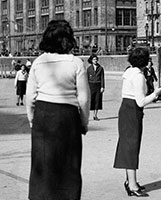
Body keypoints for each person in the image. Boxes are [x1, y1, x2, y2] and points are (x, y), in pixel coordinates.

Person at [25, 19, 90, 200]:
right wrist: (83, 123)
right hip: (68, 117)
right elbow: (84, 98)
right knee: (69, 165)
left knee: (42, 165)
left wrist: (32, 119)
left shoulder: (38, 62)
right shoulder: (76, 63)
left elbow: (30, 97)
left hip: (43, 116)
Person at [114, 47, 161, 197]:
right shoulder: (138, 76)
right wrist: (155, 94)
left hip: (126, 110)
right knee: (131, 147)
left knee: (128, 146)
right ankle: (132, 184)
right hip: (132, 112)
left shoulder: (129, 71)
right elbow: (141, 101)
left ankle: (130, 180)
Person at [87, 54, 105, 121]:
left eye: (96, 59)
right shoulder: (89, 69)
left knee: (97, 100)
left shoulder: (100, 68)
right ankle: (87, 115)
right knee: (91, 100)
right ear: (91, 60)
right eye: (94, 59)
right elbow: (87, 78)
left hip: (98, 85)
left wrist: (102, 86)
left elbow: (102, 78)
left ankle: (95, 115)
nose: (95, 61)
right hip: (91, 85)